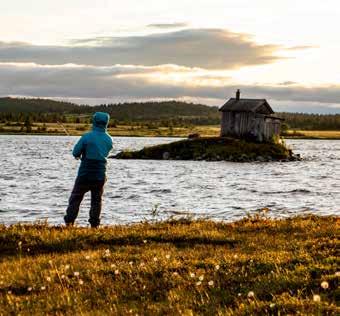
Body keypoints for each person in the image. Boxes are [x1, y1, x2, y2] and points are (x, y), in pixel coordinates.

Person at [64, 112, 113, 228]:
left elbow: (76, 153)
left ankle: (69, 223)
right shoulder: (109, 139)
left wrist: (79, 154)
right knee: (96, 200)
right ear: (106, 123)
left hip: (85, 173)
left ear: (94, 122)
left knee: (76, 197)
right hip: (100, 174)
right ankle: (94, 225)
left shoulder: (86, 137)